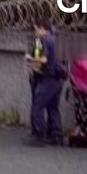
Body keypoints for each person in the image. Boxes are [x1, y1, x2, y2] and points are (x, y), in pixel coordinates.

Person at [25, 18, 64, 146]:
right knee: (53, 107)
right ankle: (57, 136)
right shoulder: (57, 39)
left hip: (49, 77)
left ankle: (39, 135)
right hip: (59, 78)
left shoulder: (46, 40)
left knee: (38, 104)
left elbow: (44, 59)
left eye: (36, 30)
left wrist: (30, 58)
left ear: (42, 29)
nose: (35, 33)